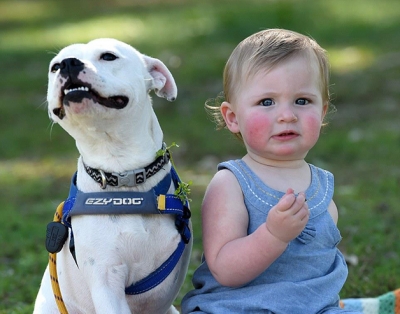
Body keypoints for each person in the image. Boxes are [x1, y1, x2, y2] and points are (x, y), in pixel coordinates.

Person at [181, 29, 361, 313]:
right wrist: (273, 236)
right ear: (232, 118)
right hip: (236, 308)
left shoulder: (322, 189)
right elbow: (225, 270)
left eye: (302, 101)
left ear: (323, 111)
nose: (287, 115)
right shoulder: (231, 184)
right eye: (267, 102)